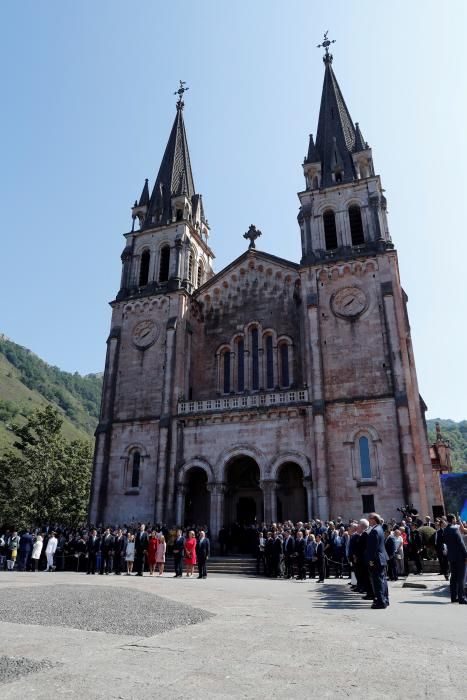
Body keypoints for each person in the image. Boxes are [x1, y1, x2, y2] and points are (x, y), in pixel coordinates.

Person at [365, 513, 389, 609]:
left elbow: (373, 548)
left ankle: (380, 602)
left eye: (369, 518)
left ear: (374, 519)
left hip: (376, 559)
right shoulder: (380, 528)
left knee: (377, 581)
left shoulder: (375, 531)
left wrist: (370, 560)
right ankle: (384, 600)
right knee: (382, 581)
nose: (368, 520)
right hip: (381, 558)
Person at [443, 513, 467, 604]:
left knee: (453, 577)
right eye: (455, 519)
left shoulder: (445, 530)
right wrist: (466, 555)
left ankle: (454, 597)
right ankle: (461, 598)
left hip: (451, 557)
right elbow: (461, 544)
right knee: (461, 578)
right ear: (452, 519)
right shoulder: (455, 529)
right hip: (460, 557)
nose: (455, 520)